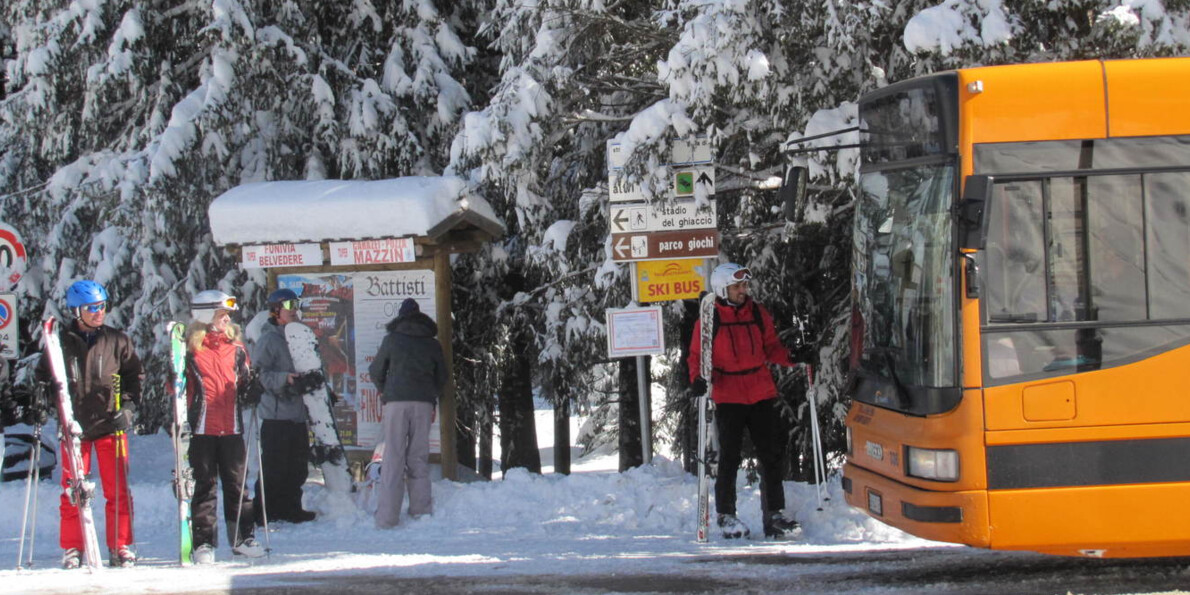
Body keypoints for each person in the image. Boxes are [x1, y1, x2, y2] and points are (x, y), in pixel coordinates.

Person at [687, 263, 801, 540]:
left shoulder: (757, 313)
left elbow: (771, 347)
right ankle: (726, 515)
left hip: (760, 390)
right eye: (737, 287)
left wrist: (793, 357)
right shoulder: (709, 319)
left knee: (771, 456)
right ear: (722, 289)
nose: (743, 291)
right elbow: (697, 357)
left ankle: (775, 514)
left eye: (745, 286)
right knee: (729, 457)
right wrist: (698, 379)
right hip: (729, 394)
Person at [37, 280, 143, 568]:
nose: (99, 312)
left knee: (118, 491)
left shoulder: (117, 340)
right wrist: (46, 404)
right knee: (73, 490)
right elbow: (44, 379)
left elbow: (135, 376)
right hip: (74, 427)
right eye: (92, 308)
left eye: (102, 306)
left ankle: (119, 545)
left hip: (110, 424)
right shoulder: (60, 342)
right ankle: (73, 547)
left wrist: (130, 408)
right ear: (76, 311)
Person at [183, 290, 265, 563]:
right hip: (201, 429)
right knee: (204, 486)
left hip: (232, 428)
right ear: (206, 316)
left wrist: (251, 390)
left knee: (238, 486)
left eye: (228, 315)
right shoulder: (191, 351)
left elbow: (243, 384)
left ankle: (243, 537)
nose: (227, 319)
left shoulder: (237, 350)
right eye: (222, 314)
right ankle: (204, 543)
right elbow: (179, 389)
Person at [369, 297, 447, 529]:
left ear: (401, 316)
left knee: (393, 456)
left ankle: (387, 517)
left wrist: (386, 391)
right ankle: (420, 512)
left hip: (395, 403)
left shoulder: (392, 340)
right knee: (418, 456)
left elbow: (375, 370)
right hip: (423, 404)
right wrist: (431, 396)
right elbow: (441, 376)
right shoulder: (432, 343)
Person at [251, 288, 318, 524]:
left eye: (296, 305)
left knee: (297, 466)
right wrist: (285, 379)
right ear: (276, 311)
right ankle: (263, 511)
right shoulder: (269, 339)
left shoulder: (298, 336)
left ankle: (291, 508)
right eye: (289, 306)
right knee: (274, 467)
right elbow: (258, 374)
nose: (294, 311)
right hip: (277, 414)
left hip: (297, 413)